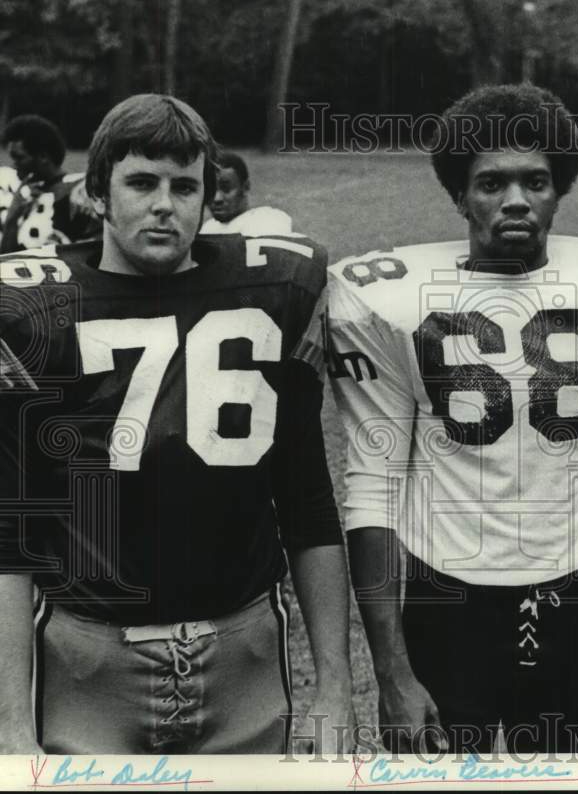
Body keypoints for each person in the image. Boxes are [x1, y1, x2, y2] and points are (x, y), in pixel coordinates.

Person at [327, 84, 578, 755]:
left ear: (559, 190)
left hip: (572, 594)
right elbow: (371, 488)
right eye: (491, 183)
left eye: (536, 181)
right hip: (445, 601)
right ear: (460, 197)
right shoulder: (389, 305)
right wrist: (392, 669)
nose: (516, 199)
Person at [0, 94, 353, 754]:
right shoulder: (33, 311)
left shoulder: (275, 291)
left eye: (184, 186)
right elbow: (10, 536)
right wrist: (10, 726)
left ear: (207, 198)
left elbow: (307, 503)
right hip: (88, 657)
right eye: (141, 182)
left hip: (241, 649)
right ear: (98, 194)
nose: (165, 204)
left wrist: (335, 687)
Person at [1, 114, 100, 252]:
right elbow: (7, 262)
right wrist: (12, 218)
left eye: (19, 158)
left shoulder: (81, 192)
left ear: (43, 157)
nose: (14, 165)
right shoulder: (25, 197)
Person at [200, 151, 292, 236]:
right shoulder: (207, 228)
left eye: (226, 189)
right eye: (210, 189)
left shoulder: (267, 220)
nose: (217, 198)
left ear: (245, 187)